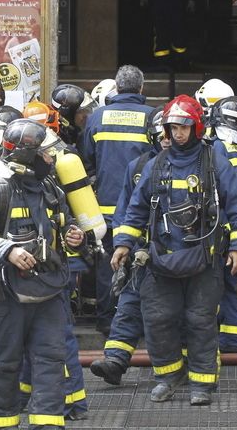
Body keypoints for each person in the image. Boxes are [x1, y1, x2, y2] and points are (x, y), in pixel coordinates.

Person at [112, 95, 237, 405]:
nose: (177, 134)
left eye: (183, 127)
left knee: (200, 321)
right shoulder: (155, 165)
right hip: (161, 260)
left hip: (204, 258)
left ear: (197, 127)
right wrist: (123, 244)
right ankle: (169, 376)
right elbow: (135, 210)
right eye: (173, 128)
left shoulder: (214, 162)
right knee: (158, 319)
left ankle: (202, 384)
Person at [0, 119, 85, 430]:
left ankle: (47, 424)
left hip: (48, 291)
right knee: (6, 364)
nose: (52, 158)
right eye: (46, 153)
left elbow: (63, 224)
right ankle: (4, 423)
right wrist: (8, 251)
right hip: (6, 295)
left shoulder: (50, 189)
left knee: (51, 360)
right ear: (27, 156)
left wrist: (73, 237)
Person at [90, 105, 167, 386]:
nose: (166, 140)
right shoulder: (138, 167)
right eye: (161, 135)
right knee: (128, 304)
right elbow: (126, 210)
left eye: (171, 133)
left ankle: (177, 367)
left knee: (174, 314)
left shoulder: (198, 164)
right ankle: (115, 360)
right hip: (143, 252)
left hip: (180, 254)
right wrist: (124, 244)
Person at [79, 65, 154, 334]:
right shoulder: (152, 116)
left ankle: (108, 320)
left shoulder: (97, 118)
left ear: (117, 88)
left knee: (108, 264)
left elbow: (85, 160)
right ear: (141, 88)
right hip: (144, 210)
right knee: (145, 263)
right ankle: (141, 321)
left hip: (107, 209)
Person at [207, 95, 237, 354]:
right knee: (235, 283)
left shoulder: (213, 146)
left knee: (213, 284)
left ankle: (218, 340)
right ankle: (232, 341)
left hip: (218, 226)